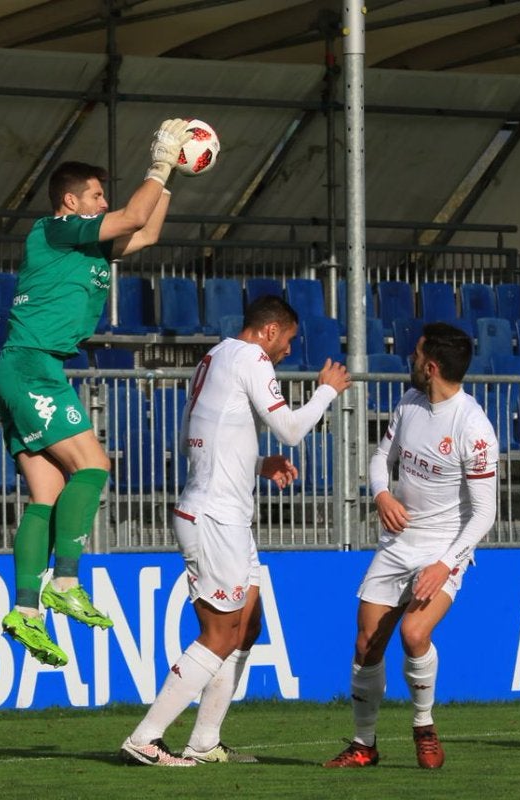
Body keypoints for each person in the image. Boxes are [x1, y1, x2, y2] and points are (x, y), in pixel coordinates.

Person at [0, 119, 195, 667]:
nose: (104, 202)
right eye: (96, 194)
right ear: (70, 201)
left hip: (29, 367)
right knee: (95, 466)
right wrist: (157, 163)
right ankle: (64, 581)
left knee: (47, 494)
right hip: (34, 366)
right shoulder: (56, 230)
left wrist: (171, 175)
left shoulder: (86, 247)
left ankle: (26, 611)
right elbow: (132, 215)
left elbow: (146, 232)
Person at [119, 296, 351, 766]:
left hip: (227, 515)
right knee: (221, 633)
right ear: (269, 331)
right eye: (287, 340)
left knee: (247, 625)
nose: (288, 350)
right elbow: (288, 428)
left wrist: (257, 463)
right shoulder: (252, 357)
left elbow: (202, 432)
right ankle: (146, 737)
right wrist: (326, 391)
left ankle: (204, 741)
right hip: (214, 518)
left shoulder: (218, 355)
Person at [324, 322, 498, 770]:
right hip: (397, 544)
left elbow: (484, 514)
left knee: (414, 634)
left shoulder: (474, 428)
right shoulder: (409, 404)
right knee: (366, 645)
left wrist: (445, 564)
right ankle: (365, 744)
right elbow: (382, 457)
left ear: (431, 366)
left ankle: (424, 725)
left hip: (445, 549)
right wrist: (381, 494)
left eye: (416, 354)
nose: (411, 360)